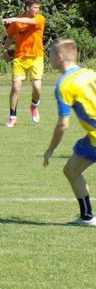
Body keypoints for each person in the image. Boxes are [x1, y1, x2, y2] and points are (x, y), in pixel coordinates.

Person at [42, 38, 96, 226]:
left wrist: (50, 150)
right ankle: (87, 217)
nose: (48, 58)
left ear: (59, 57)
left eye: (49, 54)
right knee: (71, 170)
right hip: (92, 138)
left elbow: (63, 124)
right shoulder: (90, 73)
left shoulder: (65, 84)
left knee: (72, 170)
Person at [2, 0, 45, 127]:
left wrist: (14, 18)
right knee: (16, 87)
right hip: (19, 58)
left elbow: (30, 21)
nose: (37, 10)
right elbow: (10, 35)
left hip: (36, 58)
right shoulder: (17, 22)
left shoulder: (39, 19)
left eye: (38, 8)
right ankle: (12, 116)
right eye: (35, 7)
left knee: (37, 87)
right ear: (27, 7)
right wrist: (5, 49)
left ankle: (34, 106)